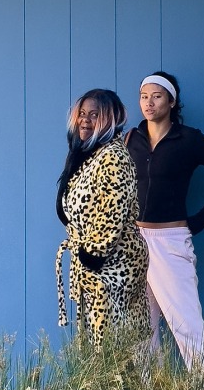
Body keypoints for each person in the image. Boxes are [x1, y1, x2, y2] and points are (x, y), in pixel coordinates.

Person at [126, 72, 204, 373]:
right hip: (134, 243)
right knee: (142, 333)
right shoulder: (130, 139)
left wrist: (199, 221)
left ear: (171, 101)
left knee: (188, 328)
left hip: (171, 241)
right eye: (143, 96)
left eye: (157, 96)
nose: (149, 103)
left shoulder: (189, 140)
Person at [55, 89, 150, 349]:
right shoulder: (89, 155)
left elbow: (113, 213)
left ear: (110, 119)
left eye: (94, 115)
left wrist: (91, 256)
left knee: (111, 353)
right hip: (94, 268)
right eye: (82, 114)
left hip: (112, 268)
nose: (85, 120)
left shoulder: (113, 157)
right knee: (101, 354)